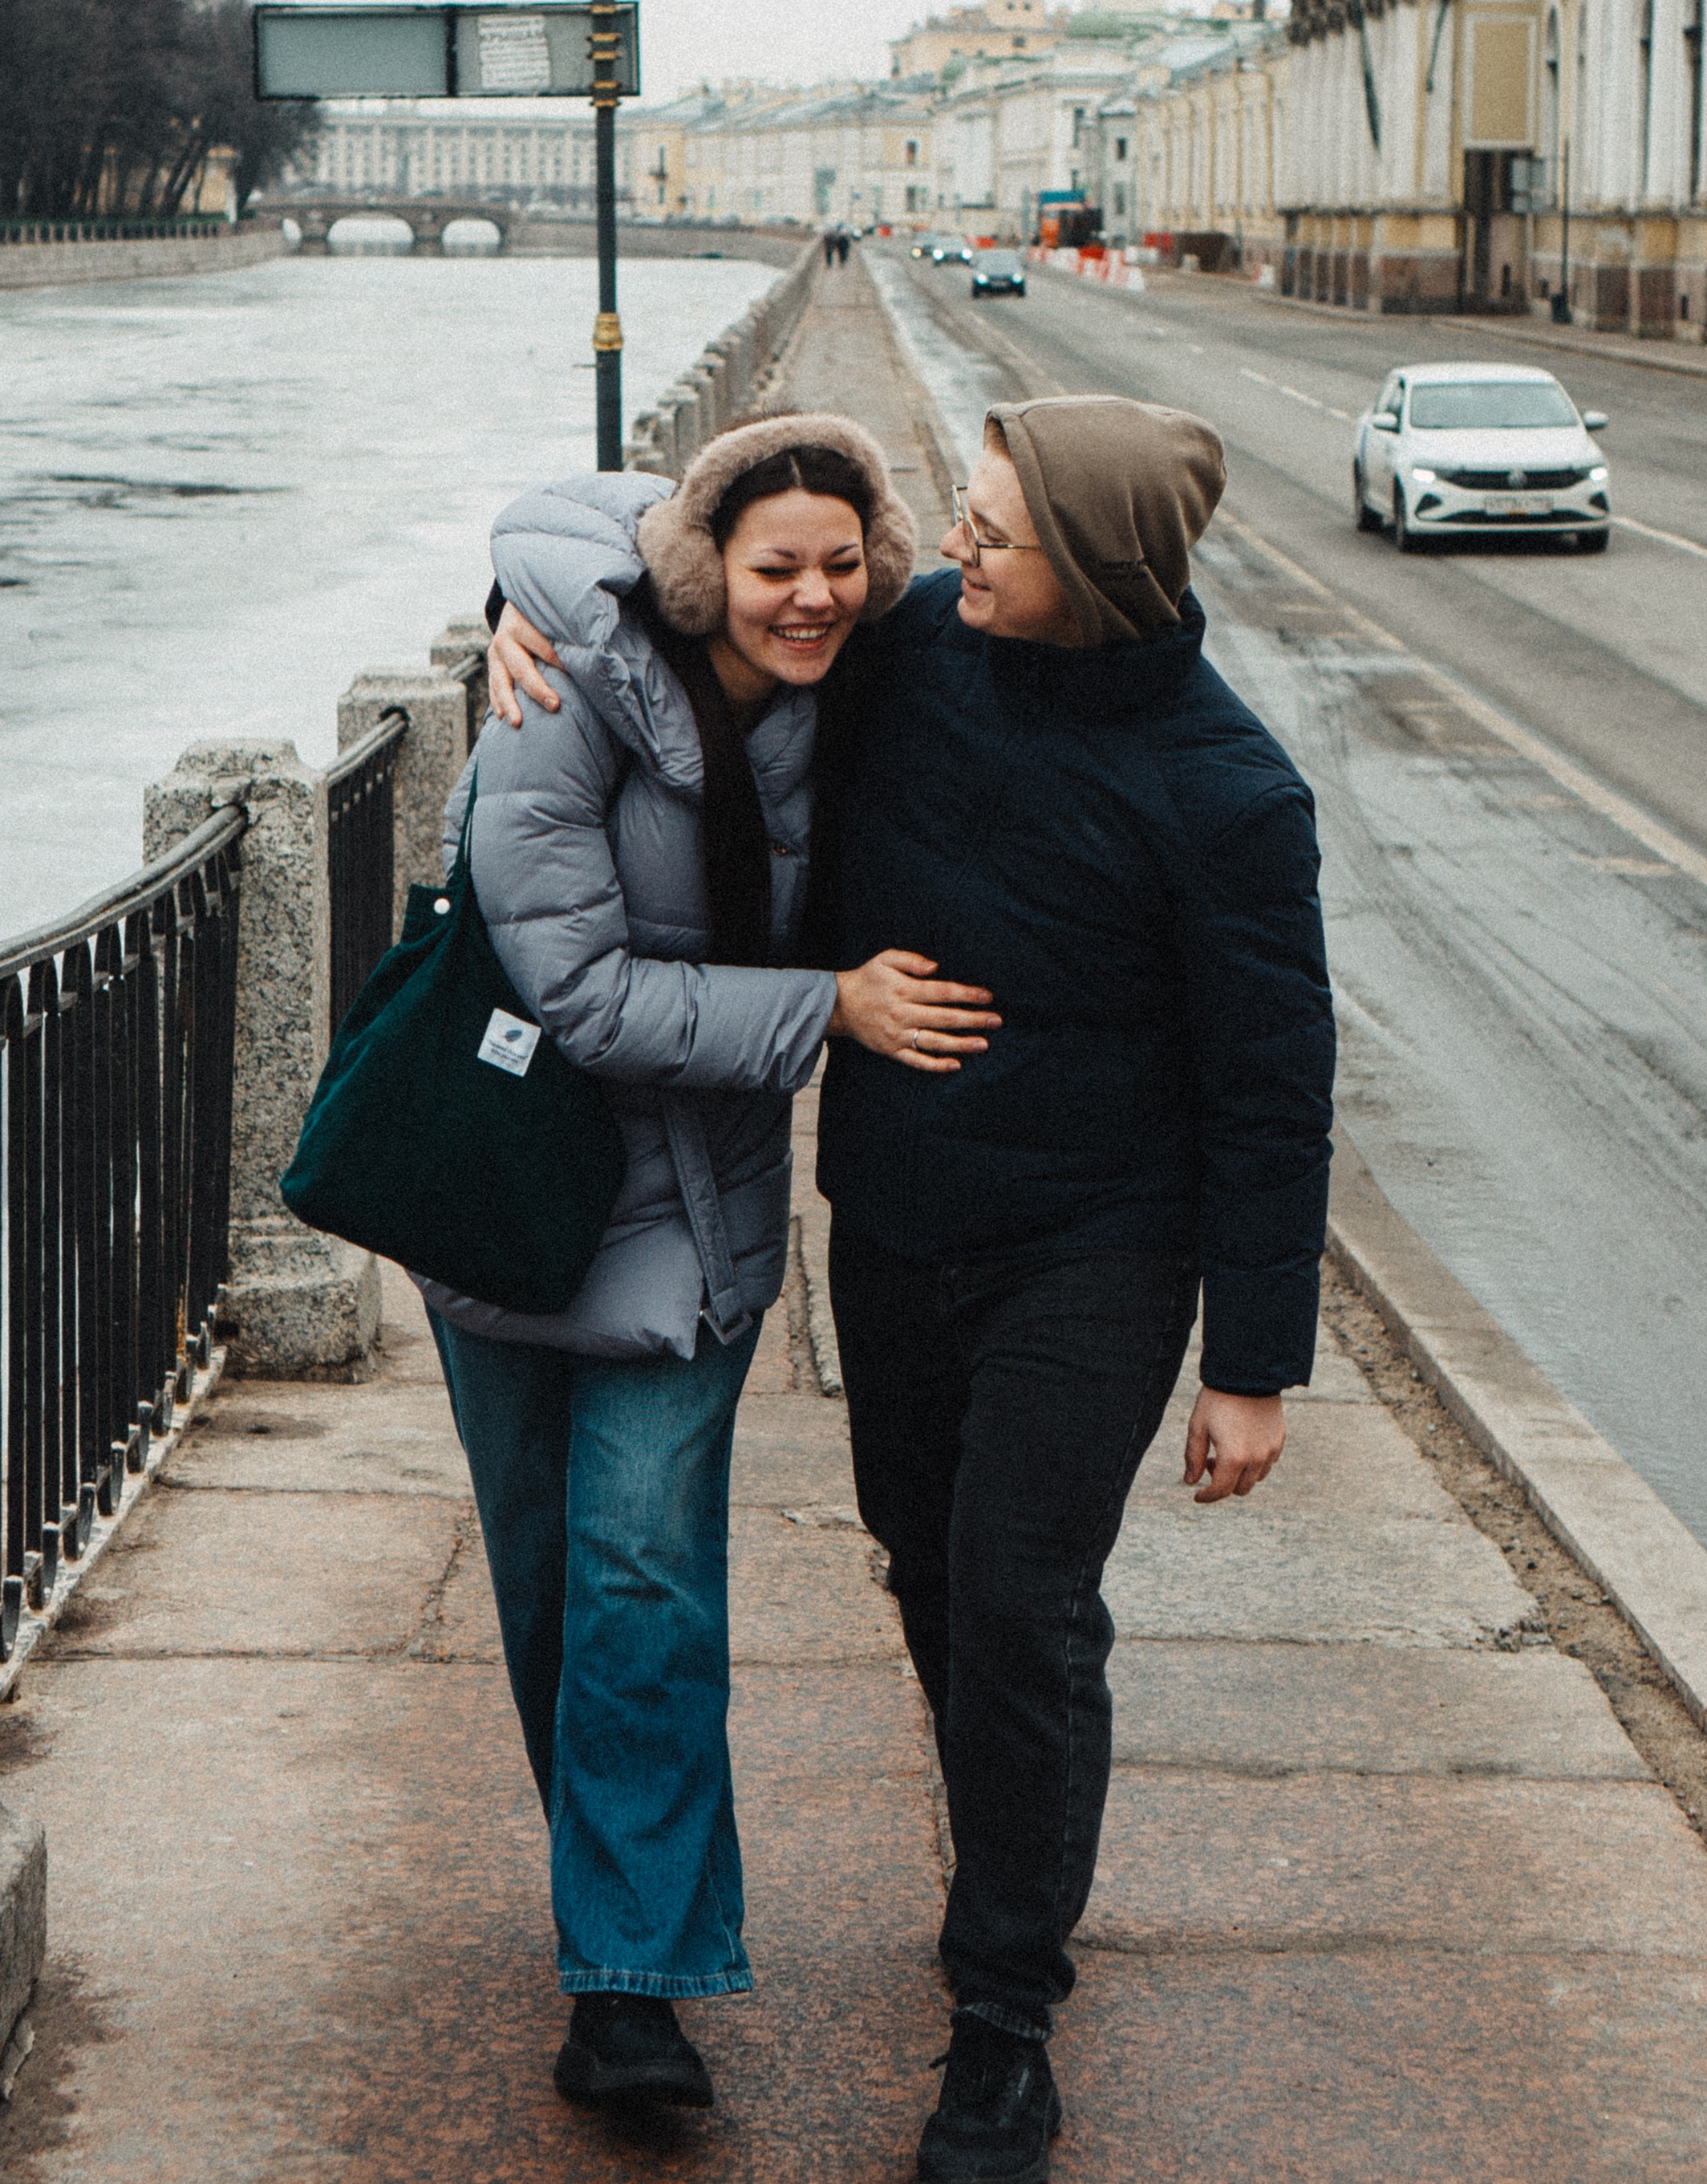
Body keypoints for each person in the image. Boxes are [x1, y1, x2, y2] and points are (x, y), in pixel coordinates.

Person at [489, 393, 1334, 2182]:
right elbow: (674, 556)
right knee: (929, 1571)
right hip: (889, 1225)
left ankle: (1002, 2019)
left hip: (1096, 1249)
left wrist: (1252, 1364)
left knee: (1023, 1604)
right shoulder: (917, 645)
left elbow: (1271, 1085)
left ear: (1089, 568)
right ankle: (1014, 1859)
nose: (953, 549)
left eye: (996, 528)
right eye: (954, 517)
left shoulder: (1229, 793)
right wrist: (529, 622)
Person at [426, 412, 999, 2120]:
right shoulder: (558, 701)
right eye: (773, 569)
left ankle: (631, 1991)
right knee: (546, 1587)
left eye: (840, 566)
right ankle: (615, 1901)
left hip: (694, 1221)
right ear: (701, 570)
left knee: (644, 1591)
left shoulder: (869, 689)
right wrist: (826, 1007)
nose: (808, 599)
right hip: (507, 1185)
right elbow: (576, 992)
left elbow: (1059, 630)